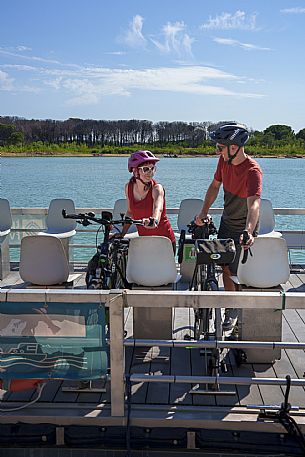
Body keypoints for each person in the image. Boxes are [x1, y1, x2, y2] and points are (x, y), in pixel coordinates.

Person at [195, 123, 263, 332]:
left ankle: (235, 311)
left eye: (220, 147)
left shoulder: (252, 171)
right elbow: (214, 187)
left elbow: (254, 203)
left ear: (234, 147)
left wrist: (249, 231)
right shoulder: (223, 162)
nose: (218, 150)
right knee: (224, 265)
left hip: (244, 226)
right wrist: (203, 213)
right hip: (227, 221)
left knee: (237, 270)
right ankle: (232, 306)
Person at [116, 150, 176, 252]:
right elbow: (130, 212)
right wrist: (122, 233)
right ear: (135, 171)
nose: (150, 172)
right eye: (146, 169)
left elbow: (158, 208)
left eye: (152, 169)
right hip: (145, 241)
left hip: (164, 242)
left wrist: (154, 220)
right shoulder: (129, 187)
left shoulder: (157, 188)